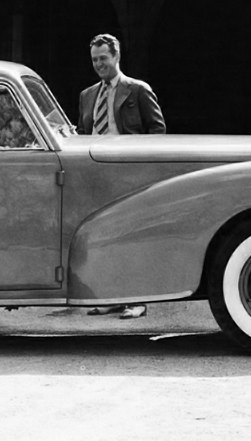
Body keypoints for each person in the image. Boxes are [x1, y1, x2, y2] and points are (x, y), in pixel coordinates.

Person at [78, 33, 165, 317]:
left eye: (103, 58)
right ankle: (111, 296)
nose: (99, 65)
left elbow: (158, 132)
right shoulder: (87, 95)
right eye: (94, 60)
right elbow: (82, 135)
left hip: (130, 176)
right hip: (98, 175)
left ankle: (137, 300)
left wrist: (144, 172)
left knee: (134, 238)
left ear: (116, 57)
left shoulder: (138, 90)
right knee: (103, 238)